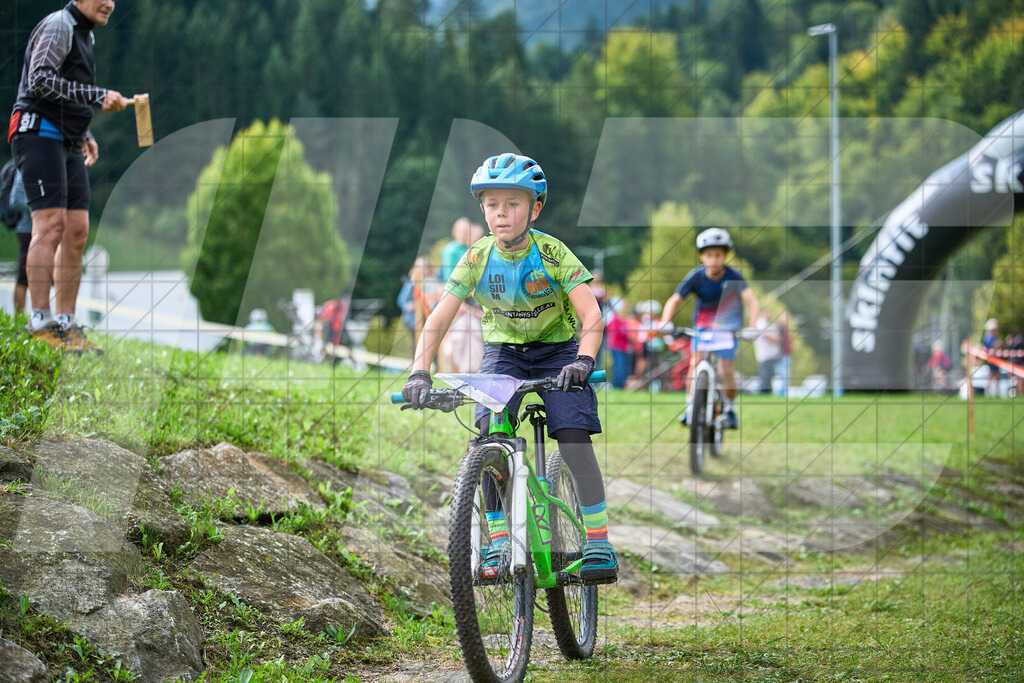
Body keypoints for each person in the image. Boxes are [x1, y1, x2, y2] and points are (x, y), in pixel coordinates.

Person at [402, 152, 617, 584]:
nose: (502, 213)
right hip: (504, 353)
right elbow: (439, 317)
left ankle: (598, 540)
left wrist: (584, 361)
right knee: (489, 437)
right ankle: (499, 540)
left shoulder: (553, 253)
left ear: (535, 208)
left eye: (513, 203)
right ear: (482, 209)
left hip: (558, 351)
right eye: (492, 204)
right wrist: (418, 371)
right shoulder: (476, 258)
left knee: (573, 437)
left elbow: (592, 317)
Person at [10, 0, 128, 352]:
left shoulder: (86, 36)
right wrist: (97, 95)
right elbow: (40, 80)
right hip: (37, 131)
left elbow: (65, 90)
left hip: (68, 139)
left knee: (76, 230)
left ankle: (67, 324)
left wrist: (86, 134)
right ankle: (40, 321)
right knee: (51, 224)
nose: (109, 3)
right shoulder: (59, 25)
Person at [657, 227, 760, 428]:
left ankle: (730, 409)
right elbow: (675, 299)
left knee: (725, 370)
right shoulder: (695, 277)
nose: (714, 260)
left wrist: (753, 326)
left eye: (718, 255)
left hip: (728, 328)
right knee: (694, 365)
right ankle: (690, 409)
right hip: (703, 329)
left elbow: (752, 302)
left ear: (726, 256)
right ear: (702, 256)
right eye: (709, 255)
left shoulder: (734, 277)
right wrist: (665, 320)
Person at [9, 169, 33, 314]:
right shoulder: (24, 166)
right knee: (23, 277)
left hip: (48, 230)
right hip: (27, 229)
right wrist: (41, 212)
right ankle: (19, 321)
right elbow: (16, 199)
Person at [605, 297, 635, 389]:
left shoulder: (625, 320)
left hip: (624, 348)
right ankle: (616, 385)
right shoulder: (615, 319)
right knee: (618, 366)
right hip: (616, 347)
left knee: (623, 367)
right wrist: (628, 335)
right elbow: (614, 332)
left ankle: (621, 385)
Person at [752, 310, 782, 394]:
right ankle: (763, 391)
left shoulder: (767, 324)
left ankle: (767, 391)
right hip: (765, 355)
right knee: (765, 374)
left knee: (769, 375)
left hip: (770, 355)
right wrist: (778, 339)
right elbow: (768, 336)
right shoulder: (761, 323)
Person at [438, 217, 471, 283]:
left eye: (467, 232)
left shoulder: (467, 249)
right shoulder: (450, 251)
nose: (464, 235)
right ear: (454, 231)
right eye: (462, 231)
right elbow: (449, 277)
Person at [982, 318, 1002, 398]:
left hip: (995, 359)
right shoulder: (988, 337)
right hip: (992, 359)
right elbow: (995, 346)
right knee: (992, 375)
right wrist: (998, 344)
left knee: (996, 375)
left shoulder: (993, 336)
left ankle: (995, 393)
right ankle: (989, 392)